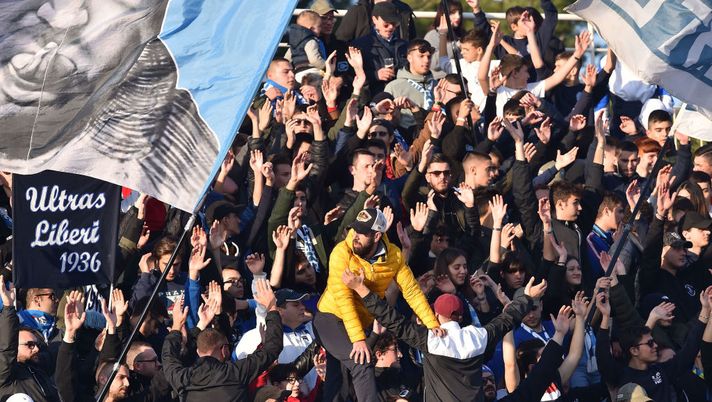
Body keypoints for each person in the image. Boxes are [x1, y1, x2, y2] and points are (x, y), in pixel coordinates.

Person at [342, 267, 548, 401]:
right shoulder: (478, 336)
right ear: (459, 317)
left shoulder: (432, 340)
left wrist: (362, 289)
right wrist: (527, 298)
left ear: (436, 314)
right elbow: (507, 319)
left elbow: (391, 319)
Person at [314, 207, 439, 401]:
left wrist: (432, 324)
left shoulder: (394, 256)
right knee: (361, 362)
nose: (355, 236)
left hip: (358, 322)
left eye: (362, 232)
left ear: (377, 236)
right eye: (355, 229)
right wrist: (358, 339)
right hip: (330, 317)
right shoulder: (341, 252)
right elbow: (343, 299)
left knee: (338, 377)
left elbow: (412, 291)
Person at [161, 279, 283, 401]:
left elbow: (169, 357)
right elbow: (272, 348)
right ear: (225, 350)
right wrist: (271, 308)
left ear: (198, 351)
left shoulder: (183, 378)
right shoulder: (235, 373)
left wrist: (177, 326)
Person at [596, 283, 712, 401]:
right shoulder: (620, 376)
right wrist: (605, 317)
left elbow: (690, 349)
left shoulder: (662, 371)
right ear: (634, 350)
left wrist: (705, 310)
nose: (656, 345)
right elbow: (602, 356)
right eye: (650, 343)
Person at [0, 276, 60, 402]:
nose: (36, 348)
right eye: (30, 345)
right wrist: (8, 307)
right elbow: (7, 348)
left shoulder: (40, 372)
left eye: (36, 344)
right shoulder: (6, 376)